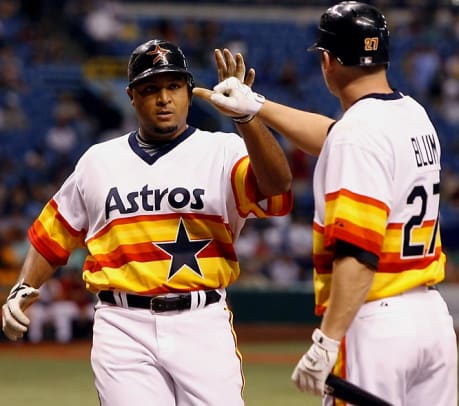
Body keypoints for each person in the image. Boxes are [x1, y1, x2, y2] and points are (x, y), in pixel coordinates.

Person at [1, 39, 293, 405]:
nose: (164, 98)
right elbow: (52, 235)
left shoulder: (224, 150)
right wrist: (22, 288)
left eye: (173, 87)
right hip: (122, 324)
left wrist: (247, 119)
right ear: (132, 96)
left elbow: (276, 186)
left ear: (189, 92)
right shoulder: (98, 161)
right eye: (151, 89)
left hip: (200, 321)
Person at [193, 2, 458, 405]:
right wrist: (257, 107)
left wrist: (326, 340)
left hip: (374, 321)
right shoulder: (412, 114)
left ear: (328, 61)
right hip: (432, 319)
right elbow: (335, 136)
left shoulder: (358, 135)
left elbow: (358, 253)